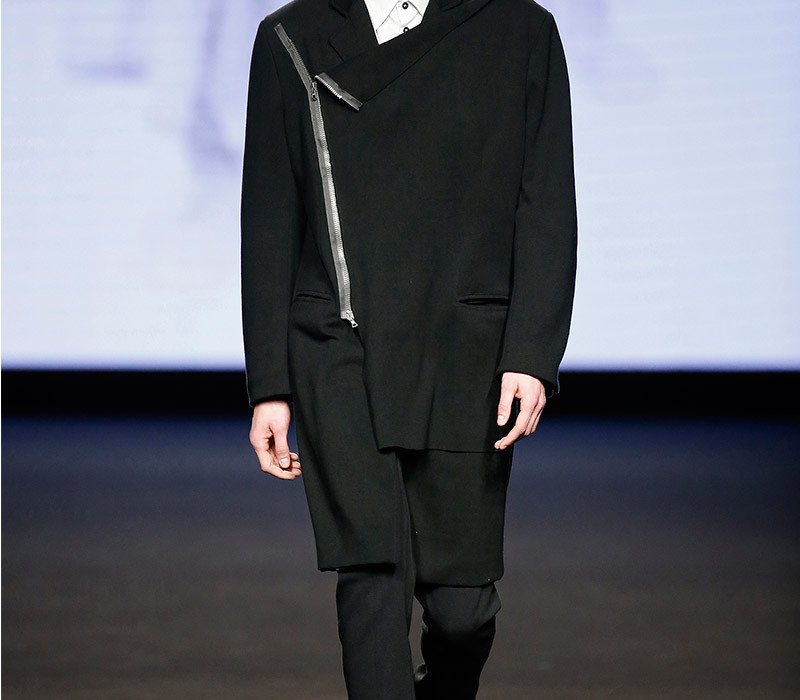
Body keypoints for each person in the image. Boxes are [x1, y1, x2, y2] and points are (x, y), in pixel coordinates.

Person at [240, 0, 577, 695]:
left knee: (463, 613)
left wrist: (532, 352)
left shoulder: (520, 30)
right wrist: (270, 383)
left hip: (466, 346)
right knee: (372, 575)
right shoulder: (292, 38)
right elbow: (270, 214)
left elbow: (545, 200)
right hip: (341, 340)